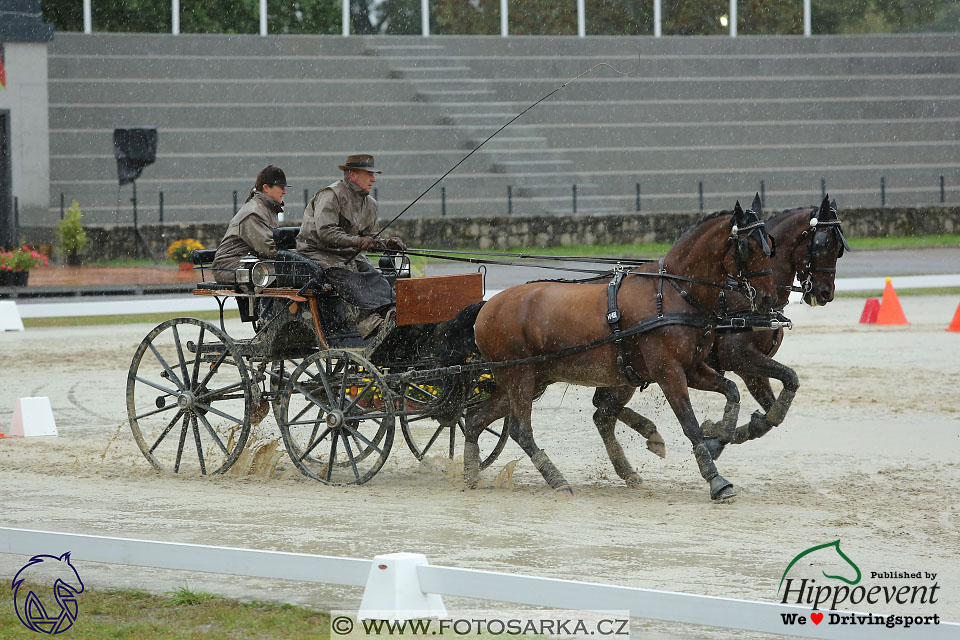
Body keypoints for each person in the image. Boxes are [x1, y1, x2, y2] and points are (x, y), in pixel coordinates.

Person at [297, 154, 405, 338]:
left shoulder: (370, 204)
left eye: (373, 174)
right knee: (351, 281)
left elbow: (370, 237)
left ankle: (392, 314)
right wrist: (357, 242)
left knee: (376, 278)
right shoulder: (330, 195)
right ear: (352, 175)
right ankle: (368, 322)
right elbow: (326, 232)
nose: (373, 179)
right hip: (319, 253)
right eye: (368, 174)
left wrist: (387, 244)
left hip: (349, 255)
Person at [212, 165, 289, 284]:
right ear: (266, 188)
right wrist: (296, 253)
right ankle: (270, 303)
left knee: (287, 273)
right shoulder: (254, 212)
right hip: (230, 266)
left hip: (248, 262)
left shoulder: (266, 208)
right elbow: (268, 248)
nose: (284, 191)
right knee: (278, 276)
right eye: (281, 187)